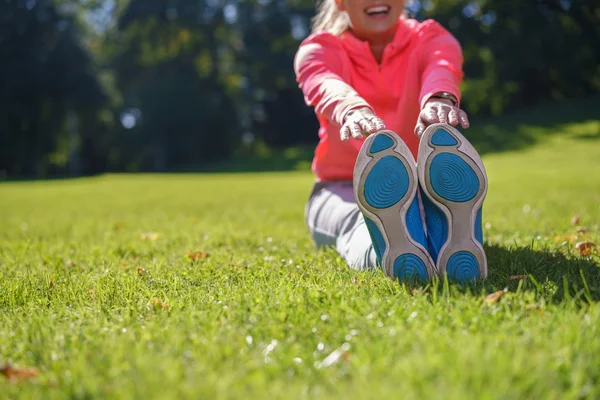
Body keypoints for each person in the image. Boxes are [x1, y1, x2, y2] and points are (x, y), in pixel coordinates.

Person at [294, 0, 488, 282]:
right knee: (358, 221)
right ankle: (405, 243)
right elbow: (323, 83)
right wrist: (352, 108)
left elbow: (441, 66)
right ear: (340, 3)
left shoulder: (430, 38)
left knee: (409, 214)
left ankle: (429, 235)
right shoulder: (319, 50)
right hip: (338, 187)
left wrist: (438, 98)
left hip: (418, 187)